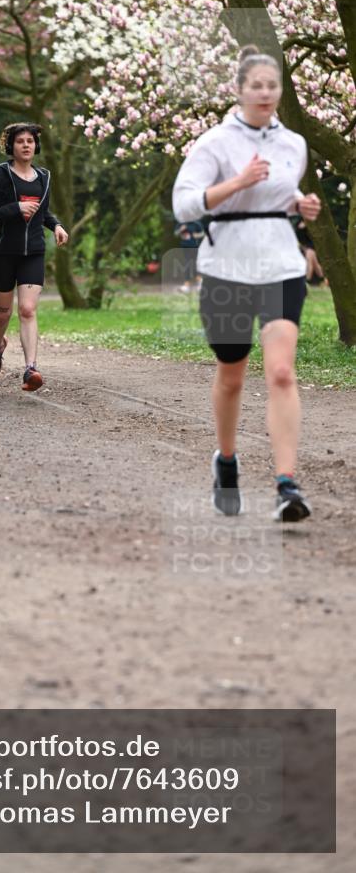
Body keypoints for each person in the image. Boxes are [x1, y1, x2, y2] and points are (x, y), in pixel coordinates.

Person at [173, 45, 322, 522]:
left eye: (271, 85)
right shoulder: (215, 142)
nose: (264, 92)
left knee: (281, 372)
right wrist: (236, 183)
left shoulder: (294, 144)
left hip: (281, 264)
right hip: (226, 269)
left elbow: (281, 191)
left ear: (280, 92)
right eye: (255, 85)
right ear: (239, 91)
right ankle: (227, 460)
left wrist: (301, 204)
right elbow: (185, 205)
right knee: (232, 374)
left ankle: (286, 483)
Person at [0, 122, 68, 391]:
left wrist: (57, 226)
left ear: (35, 145)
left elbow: (44, 212)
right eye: (20, 141)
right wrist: (15, 208)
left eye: (30, 141)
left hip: (33, 253)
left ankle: (31, 369)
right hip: (4, 252)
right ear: (11, 146)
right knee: (3, 312)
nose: (26, 145)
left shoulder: (44, 177)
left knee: (27, 309)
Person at [174, 219, 204, 293]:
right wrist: (181, 229)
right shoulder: (181, 223)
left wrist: (196, 235)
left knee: (194, 264)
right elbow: (175, 233)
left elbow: (202, 233)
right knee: (187, 264)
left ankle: (199, 282)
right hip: (185, 247)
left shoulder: (196, 223)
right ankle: (187, 285)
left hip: (195, 247)